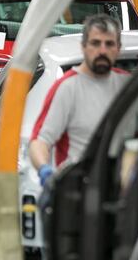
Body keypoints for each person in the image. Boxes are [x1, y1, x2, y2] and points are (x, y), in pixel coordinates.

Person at [29, 14, 129, 186]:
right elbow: (40, 141)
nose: (102, 51)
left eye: (109, 44)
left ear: (118, 48)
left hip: (124, 191)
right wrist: (45, 171)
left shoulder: (127, 85)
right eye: (95, 43)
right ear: (83, 47)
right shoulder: (68, 87)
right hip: (79, 190)